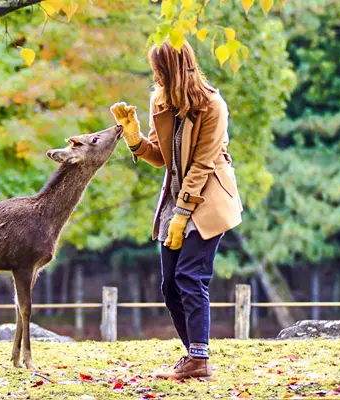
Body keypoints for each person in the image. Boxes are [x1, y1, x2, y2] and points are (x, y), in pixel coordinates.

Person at [110, 39, 243, 380]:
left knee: (190, 276)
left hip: (208, 199)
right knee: (170, 284)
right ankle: (193, 358)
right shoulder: (161, 100)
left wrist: (183, 216)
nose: (155, 78)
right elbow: (161, 157)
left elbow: (201, 165)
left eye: (159, 72)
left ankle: (199, 359)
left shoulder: (213, 106)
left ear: (174, 70)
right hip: (176, 197)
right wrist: (134, 139)